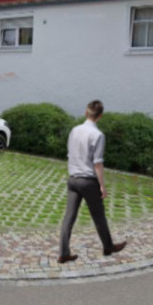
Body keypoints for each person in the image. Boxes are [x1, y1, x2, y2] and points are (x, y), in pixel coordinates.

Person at [59, 99, 127, 264]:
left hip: (73, 180)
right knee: (99, 217)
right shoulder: (98, 135)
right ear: (100, 116)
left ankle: (64, 253)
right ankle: (108, 246)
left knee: (69, 218)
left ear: (85, 113)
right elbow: (98, 163)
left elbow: (70, 154)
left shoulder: (74, 130)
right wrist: (102, 186)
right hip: (88, 181)